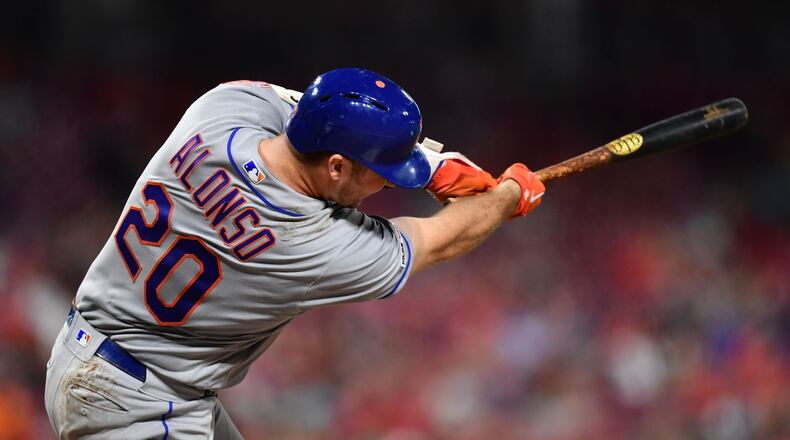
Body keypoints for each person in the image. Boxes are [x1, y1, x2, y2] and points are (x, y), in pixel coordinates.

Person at [44, 67, 545, 438]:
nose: (385, 186)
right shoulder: (306, 243)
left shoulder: (221, 110)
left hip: (93, 356)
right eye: (378, 173)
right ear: (335, 167)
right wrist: (505, 197)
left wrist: (433, 165)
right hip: (138, 404)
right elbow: (443, 238)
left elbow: (297, 105)